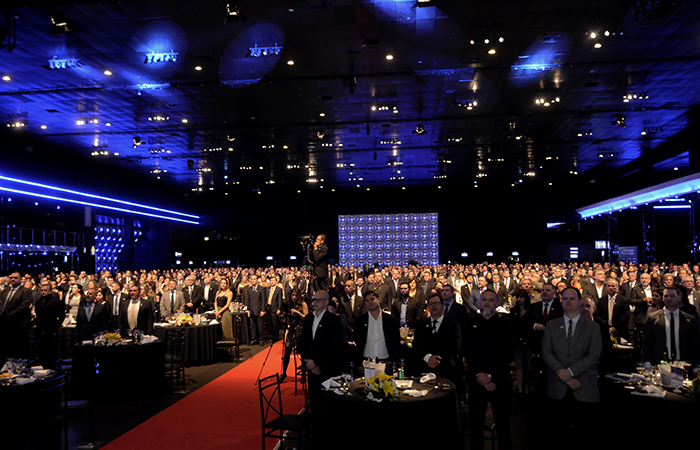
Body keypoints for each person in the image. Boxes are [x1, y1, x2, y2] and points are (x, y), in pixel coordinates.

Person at [541, 287, 602, 446]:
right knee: (558, 434)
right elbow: (546, 352)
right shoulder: (551, 325)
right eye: (565, 298)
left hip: (584, 386)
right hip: (558, 386)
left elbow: (593, 356)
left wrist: (571, 372)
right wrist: (565, 376)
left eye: (572, 298)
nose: (568, 301)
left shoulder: (592, 327)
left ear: (579, 301)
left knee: (584, 435)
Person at [465, 289, 514, 450]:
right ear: (479, 303)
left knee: (504, 426)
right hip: (476, 382)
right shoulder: (470, 324)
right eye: (484, 299)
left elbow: (508, 354)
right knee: (476, 426)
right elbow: (468, 354)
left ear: (497, 303)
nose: (487, 302)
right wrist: (481, 376)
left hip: (500, 382)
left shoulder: (506, 324)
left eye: (491, 300)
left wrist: (491, 376)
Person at [298, 290, 342, 400]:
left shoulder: (333, 320)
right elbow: (303, 342)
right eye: (313, 300)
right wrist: (308, 362)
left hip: (325, 367)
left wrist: (316, 362)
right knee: (314, 399)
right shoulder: (308, 318)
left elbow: (333, 345)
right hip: (311, 367)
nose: (314, 303)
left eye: (318, 300)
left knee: (326, 401)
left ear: (326, 302)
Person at [643, 285, 700, 366]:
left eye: (672, 296)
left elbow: (696, 344)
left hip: (684, 363)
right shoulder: (652, 318)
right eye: (666, 296)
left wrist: (697, 364)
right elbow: (647, 342)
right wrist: (647, 362)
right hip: (659, 363)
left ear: (679, 298)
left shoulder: (690, 319)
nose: (669, 298)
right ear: (663, 298)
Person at [412, 293, 461, 383]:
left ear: (442, 306)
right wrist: (428, 358)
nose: (433, 305)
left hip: (445, 369)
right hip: (425, 368)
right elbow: (416, 345)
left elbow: (455, 347)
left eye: (436, 303)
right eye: (431, 303)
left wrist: (438, 360)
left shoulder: (453, 324)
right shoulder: (421, 324)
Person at [352, 290, 401, 367]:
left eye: (372, 299)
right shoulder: (360, 321)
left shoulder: (391, 320)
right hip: (366, 363)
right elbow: (357, 339)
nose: (370, 302)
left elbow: (396, 340)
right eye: (367, 301)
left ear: (379, 299)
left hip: (386, 362)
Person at [0, 271, 34, 358]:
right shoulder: (5, 291)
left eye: (15, 278)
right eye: (11, 278)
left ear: (20, 279)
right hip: (6, 325)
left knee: (19, 350)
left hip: (19, 325)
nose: (13, 279)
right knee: (7, 350)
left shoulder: (26, 291)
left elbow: (23, 307)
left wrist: (8, 316)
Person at [35, 282, 65, 367]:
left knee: (50, 349)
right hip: (40, 328)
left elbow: (61, 315)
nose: (43, 292)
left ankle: (51, 366)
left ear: (50, 291)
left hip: (51, 328)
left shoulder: (55, 301)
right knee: (41, 348)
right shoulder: (38, 302)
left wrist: (56, 325)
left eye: (45, 290)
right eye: (41, 290)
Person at [281, 288, 308, 381]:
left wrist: (298, 312)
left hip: (300, 330)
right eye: (292, 295)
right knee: (287, 352)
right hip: (292, 329)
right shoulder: (289, 304)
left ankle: (304, 375)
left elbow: (306, 317)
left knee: (302, 353)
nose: (294, 297)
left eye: (296, 295)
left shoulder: (303, 304)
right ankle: (283, 373)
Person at [509, 288, 531, 395]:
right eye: (518, 297)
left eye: (521, 297)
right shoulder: (513, 311)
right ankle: (520, 388)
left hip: (529, 339)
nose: (519, 299)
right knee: (519, 364)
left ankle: (527, 387)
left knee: (528, 364)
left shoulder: (531, 310)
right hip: (517, 340)